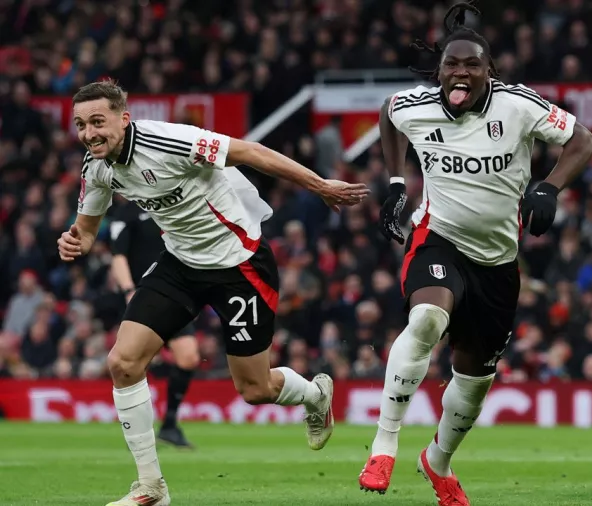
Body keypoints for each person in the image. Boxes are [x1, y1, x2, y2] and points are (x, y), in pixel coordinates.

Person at [58, 80, 369, 506]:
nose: (89, 133)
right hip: (180, 265)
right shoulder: (96, 170)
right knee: (123, 362)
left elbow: (252, 152)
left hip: (239, 264)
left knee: (255, 389)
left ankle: (315, 395)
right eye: (80, 125)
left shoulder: (168, 139)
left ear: (123, 118)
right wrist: (75, 241)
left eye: (98, 121)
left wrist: (319, 185)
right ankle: (151, 488)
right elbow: (88, 230)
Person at [357, 2, 592, 505]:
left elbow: (582, 139)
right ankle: (384, 445)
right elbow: (387, 114)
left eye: (471, 65)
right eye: (451, 64)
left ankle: (438, 462)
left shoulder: (519, 106)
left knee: (473, 379)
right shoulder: (415, 106)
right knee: (426, 318)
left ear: (490, 71)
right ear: (439, 69)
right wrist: (398, 182)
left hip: (498, 261)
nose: (460, 73)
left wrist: (549, 188)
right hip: (438, 236)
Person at [110, 202, 200, 448]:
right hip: (143, 298)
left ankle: (169, 425)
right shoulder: (127, 211)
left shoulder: (170, 204)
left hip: (174, 295)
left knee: (189, 357)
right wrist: (129, 290)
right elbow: (118, 254)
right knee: (136, 364)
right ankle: (136, 429)